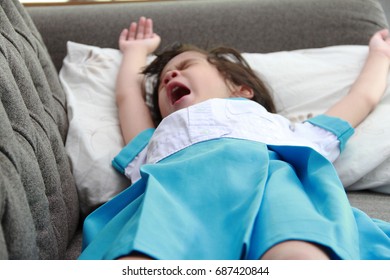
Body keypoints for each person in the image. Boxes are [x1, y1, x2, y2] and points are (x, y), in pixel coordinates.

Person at [79, 17, 390, 260]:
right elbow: (127, 97)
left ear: (241, 89)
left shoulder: (287, 130)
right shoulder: (156, 141)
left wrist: (381, 54)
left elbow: (361, 98)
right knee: (139, 257)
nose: (171, 77)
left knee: (299, 252)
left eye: (185, 66)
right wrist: (135, 52)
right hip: (171, 200)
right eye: (162, 82)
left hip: (273, 191)